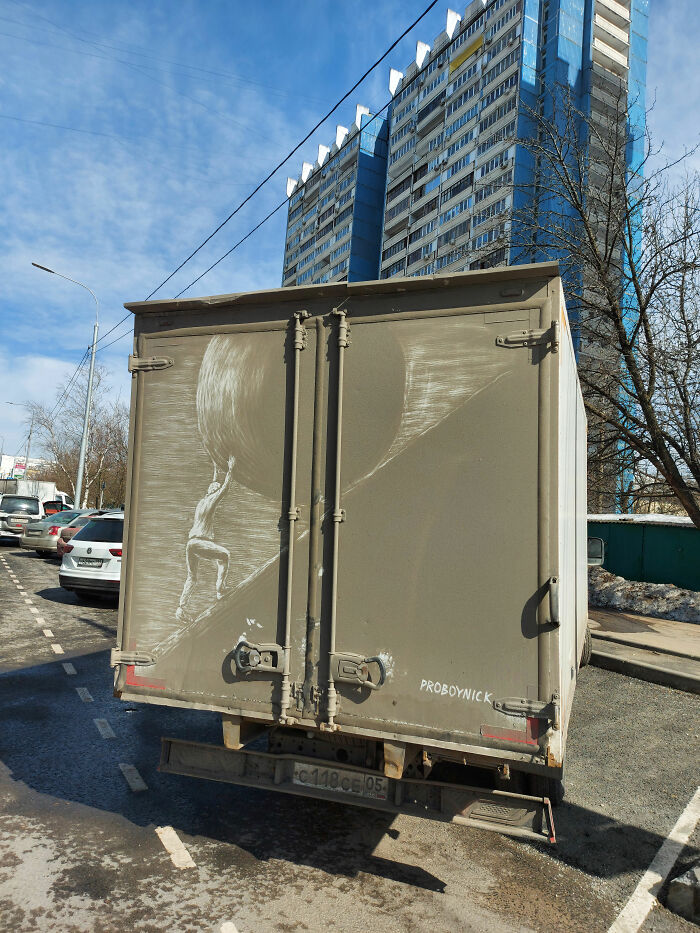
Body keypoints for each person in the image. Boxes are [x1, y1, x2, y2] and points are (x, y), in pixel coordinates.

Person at [175, 455, 234, 623]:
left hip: (191, 544)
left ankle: (181, 608)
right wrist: (231, 469)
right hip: (200, 542)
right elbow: (224, 489)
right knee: (225, 556)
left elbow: (214, 482)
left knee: (192, 577)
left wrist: (216, 464)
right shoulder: (212, 500)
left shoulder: (202, 502)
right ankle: (220, 589)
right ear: (213, 491)